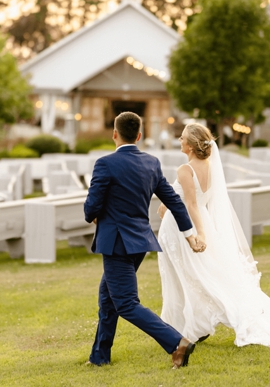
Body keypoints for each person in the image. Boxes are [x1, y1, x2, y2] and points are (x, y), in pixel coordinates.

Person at [157, 123, 270, 346]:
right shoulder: (211, 167)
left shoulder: (185, 170)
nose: (180, 141)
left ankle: (187, 327)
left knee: (191, 277)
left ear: (192, 146)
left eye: (183, 138)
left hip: (183, 229)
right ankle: (187, 327)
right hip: (197, 222)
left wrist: (200, 235)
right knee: (194, 276)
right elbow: (197, 201)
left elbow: (191, 205)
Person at [84, 112, 206, 369]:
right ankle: (99, 357)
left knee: (126, 303)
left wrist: (96, 214)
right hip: (139, 242)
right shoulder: (151, 162)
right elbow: (173, 200)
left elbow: (90, 209)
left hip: (117, 243)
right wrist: (189, 234)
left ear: (114, 134)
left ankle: (178, 343)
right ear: (139, 136)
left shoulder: (105, 164)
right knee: (108, 298)